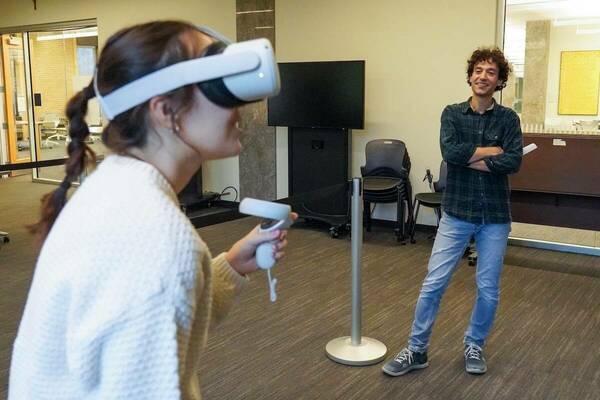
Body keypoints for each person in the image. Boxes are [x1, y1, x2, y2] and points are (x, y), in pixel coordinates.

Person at [9, 20, 295, 399]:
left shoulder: (113, 187)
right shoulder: (157, 239)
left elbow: (150, 323)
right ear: (164, 110)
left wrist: (231, 266)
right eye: (217, 83)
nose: (242, 104)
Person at [382, 47, 523, 376]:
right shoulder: (452, 114)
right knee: (434, 283)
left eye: (490, 72)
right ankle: (417, 350)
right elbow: (451, 153)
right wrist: (491, 154)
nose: (482, 76)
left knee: (488, 287)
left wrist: (473, 158)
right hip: (457, 212)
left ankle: (475, 344)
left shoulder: (508, 119)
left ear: (499, 80)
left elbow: (513, 161)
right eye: (477, 70)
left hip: (495, 217)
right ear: (470, 75)